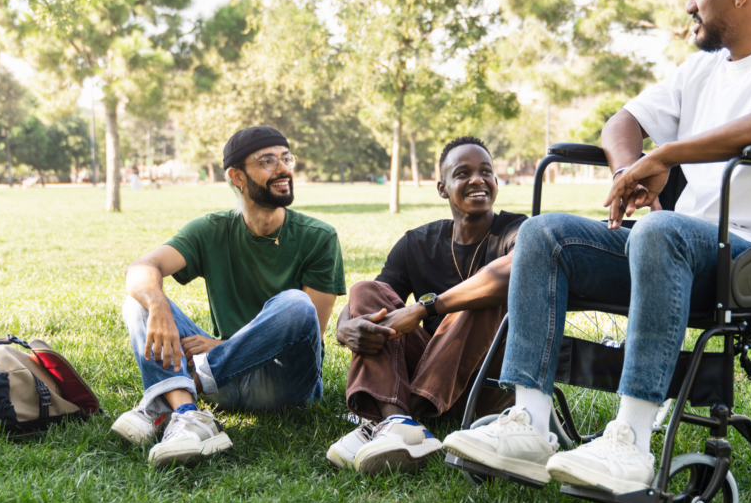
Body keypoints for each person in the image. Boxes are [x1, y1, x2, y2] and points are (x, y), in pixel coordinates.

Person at [443, 0, 751, 491]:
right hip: (681, 244)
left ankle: (629, 444)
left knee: (660, 230)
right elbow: (622, 122)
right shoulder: (701, 70)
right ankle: (529, 426)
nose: (688, 4)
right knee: (543, 234)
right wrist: (626, 171)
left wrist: (668, 154)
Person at [112, 125, 347, 467]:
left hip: (284, 384)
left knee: (296, 303)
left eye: (286, 158)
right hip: (223, 382)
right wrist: (158, 303)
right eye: (267, 161)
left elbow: (311, 328)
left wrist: (223, 347)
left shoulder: (319, 237)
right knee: (139, 298)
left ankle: (165, 399)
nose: (283, 169)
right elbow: (141, 267)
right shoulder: (212, 229)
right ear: (237, 176)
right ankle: (189, 416)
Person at [327, 136, 526, 474]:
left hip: (487, 383)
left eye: (487, 172)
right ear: (442, 188)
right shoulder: (417, 242)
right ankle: (398, 423)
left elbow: (512, 274)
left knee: (481, 294)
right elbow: (369, 299)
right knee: (365, 289)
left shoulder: (517, 230)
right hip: (431, 373)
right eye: (463, 173)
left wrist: (425, 309)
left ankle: (391, 420)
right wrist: (343, 327)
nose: (478, 180)